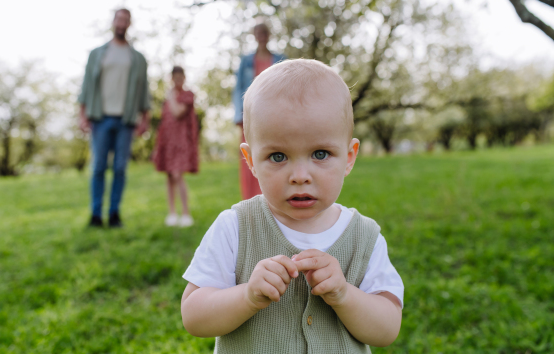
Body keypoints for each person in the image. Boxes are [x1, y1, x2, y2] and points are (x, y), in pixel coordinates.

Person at [181, 59, 403, 353]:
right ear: (250, 161)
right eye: (277, 157)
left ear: (349, 157)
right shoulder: (235, 227)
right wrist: (247, 296)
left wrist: (344, 295)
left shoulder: (365, 238)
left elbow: (387, 329)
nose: (300, 177)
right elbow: (194, 317)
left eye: (320, 154)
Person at [78, 8, 150, 228]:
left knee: (120, 168)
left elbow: (143, 90)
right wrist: (82, 115)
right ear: (113, 22)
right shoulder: (98, 53)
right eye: (119, 19)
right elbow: (86, 86)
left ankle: (115, 213)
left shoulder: (137, 58)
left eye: (126, 20)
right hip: (100, 117)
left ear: (129, 24)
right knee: (98, 167)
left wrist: (144, 117)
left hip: (125, 120)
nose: (121, 23)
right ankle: (96, 215)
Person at [233, 23, 285, 200]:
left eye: (264, 32)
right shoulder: (246, 61)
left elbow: (287, 87)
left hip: (275, 115)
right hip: (250, 115)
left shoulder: (280, 59)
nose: (261, 36)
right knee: (250, 155)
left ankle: (274, 196)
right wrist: (239, 115)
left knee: (275, 152)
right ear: (254, 36)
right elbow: (238, 88)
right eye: (258, 33)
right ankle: (250, 199)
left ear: (268, 35)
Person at [152, 66, 199, 227]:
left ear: (184, 78)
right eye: (175, 78)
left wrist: (171, 97)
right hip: (168, 141)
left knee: (178, 175)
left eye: (181, 77)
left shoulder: (187, 95)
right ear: (171, 78)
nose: (178, 80)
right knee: (170, 176)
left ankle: (186, 213)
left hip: (181, 141)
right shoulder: (167, 99)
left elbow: (178, 112)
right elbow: (164, 122)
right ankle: (172, 213)